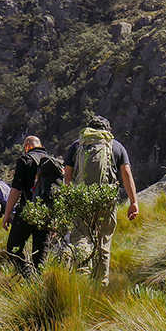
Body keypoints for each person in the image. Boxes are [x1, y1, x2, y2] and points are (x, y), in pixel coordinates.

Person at [63, 115, 139, 286]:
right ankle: (100, 284)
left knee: (81, 237)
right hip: (106, 200)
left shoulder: (77, 145)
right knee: (103, 241)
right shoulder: (116, 146)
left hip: (81, 199)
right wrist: (134, 202)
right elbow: (126, 174)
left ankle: (82, 276)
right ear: (108, 130)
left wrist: (68, 201)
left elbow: (67, 176)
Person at [2, 135, 64, 276]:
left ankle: (27, 275)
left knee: (12, 248)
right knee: (40, 257)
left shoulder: (25, 160)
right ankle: (37, 283)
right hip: (46, 215)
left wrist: (7, 214)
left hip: (27, 212)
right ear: (40, 145)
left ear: (27, 147)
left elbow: (16, 190)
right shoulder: (54, 163)